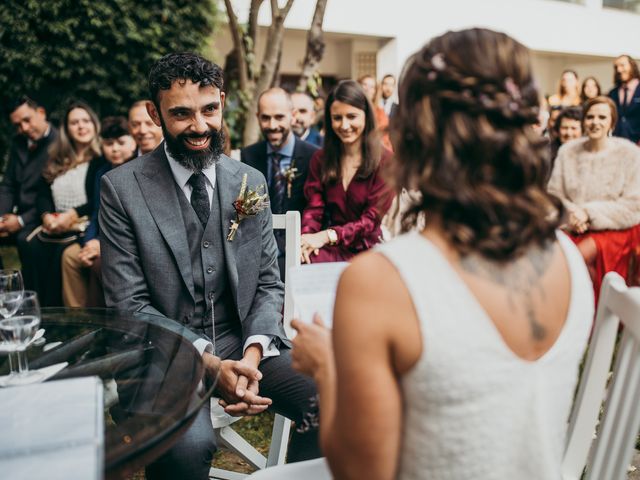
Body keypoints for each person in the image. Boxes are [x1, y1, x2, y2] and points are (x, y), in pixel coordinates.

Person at [250, 28, 594, 480]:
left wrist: (328, 369)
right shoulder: (569, 258)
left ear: (413, 135)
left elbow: (358, 470)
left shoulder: (383, 281)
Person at [99, 52, 320, 480]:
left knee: (333, 397)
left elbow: (268, 285)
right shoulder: (121, 190)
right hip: (161, 355)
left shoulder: (249, 181)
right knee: (188, 450)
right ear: (154, 113)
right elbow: (130, 306)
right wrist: (211, 365)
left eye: (209, 110)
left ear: (222, 101)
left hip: (244, 343)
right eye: (181, 114)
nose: (200, 127)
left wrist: (253, 357)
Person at [548, 96, 640, 298]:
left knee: (576, 258)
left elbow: (634, 205)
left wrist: (589, 213)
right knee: (552, 257)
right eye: (590, 117)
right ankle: (581, 315)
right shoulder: (567, 152)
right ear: (583, 121)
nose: (595, 122)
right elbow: (554, 194)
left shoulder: (630, 153)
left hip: (616, 229)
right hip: (574, 224)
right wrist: (572, 214)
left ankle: (595, 315)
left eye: (601, 117)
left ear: (612, 122)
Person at [300, 80, 393, 264]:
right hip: (330, 250)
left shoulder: (386, 160)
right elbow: (314, 209)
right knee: (304, 259)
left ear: (366, 116)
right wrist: (306, 239)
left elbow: (371, 220)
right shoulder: (321, 159)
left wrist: (328, 236)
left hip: (370, 250)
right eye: (337, 118)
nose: (344, 125)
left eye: (352, 116)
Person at [30, 101, 104, 306]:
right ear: (67, 129)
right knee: (32, 246)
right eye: (74, 122)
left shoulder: (102, 157)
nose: (81, 126)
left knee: (62, 255)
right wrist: (46, 216)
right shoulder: (57, 157)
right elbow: (43, 192)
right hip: (55, 223)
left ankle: (65, 315)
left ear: (94, 124)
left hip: (84, 223)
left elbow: (97, 200)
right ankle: (41, 311)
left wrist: (71, 214)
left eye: (85, 121)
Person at [241, 88, 319, 277]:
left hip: (300, 252)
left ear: (292, 116)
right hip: (258, 253)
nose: (272, 125)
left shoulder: (314, 156)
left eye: (279, 117)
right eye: (265, 118)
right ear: (258, 117)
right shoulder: (248, 155)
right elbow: (245, 209)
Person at [61, 116, 136, 307]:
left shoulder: (136, 171)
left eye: (121, 142)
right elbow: (96, 213)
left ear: (133, 143)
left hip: (121, 239)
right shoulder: (101, 173)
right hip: (99, 237)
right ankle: (77, 315)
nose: (115, 149)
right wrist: (89, 241)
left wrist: (99, 243)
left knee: (97, 261)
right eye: (109, 144)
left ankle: (99, 317)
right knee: (70, 255)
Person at [0, 96, 58, 285]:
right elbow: (8, 185)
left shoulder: (60, 143)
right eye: (17, 125)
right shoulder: (18, 142)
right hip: (16, 214)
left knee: (26, 241)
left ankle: (34, 299)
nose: (23, 129)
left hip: (42, 214)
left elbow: (50, 195)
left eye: (27, 120)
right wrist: (1, 218)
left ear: (41, 113)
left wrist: (21, 220)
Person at [608, 55, 640, 144]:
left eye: (622, 65)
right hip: (616, 144)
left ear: (632, 66)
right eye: (616, 67)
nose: (619, 70)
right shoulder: (612, 93)